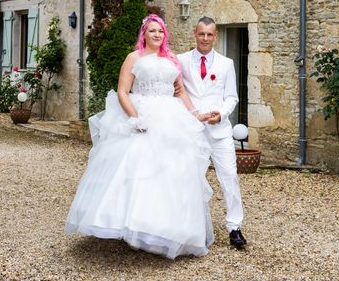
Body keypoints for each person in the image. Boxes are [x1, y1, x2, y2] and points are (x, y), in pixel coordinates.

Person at [65, 14, 215, 259]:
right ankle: (133, 224)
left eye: (161, 31)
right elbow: (123, 92)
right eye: (152, 31)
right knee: (136, 170)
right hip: (142, 115)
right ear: (144, 34)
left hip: (170, 117)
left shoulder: (172, 59)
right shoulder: (133, 58)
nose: (157, 35)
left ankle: (167, 228)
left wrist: (195, 113)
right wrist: (136, 118)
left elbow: (181, 92)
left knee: (173, 172)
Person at [176, 16, 247, 249]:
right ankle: (190, 226)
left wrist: (222, 114)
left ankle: (234, 227)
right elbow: (176, 92)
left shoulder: (227, 64)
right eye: (201, 33)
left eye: (210, 34)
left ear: (215, 36)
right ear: (194, 34)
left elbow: (232, 97)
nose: (205, 38)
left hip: (219, 131)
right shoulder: (181, 61)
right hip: (192, 131)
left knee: (229, 177)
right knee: (190, 179)